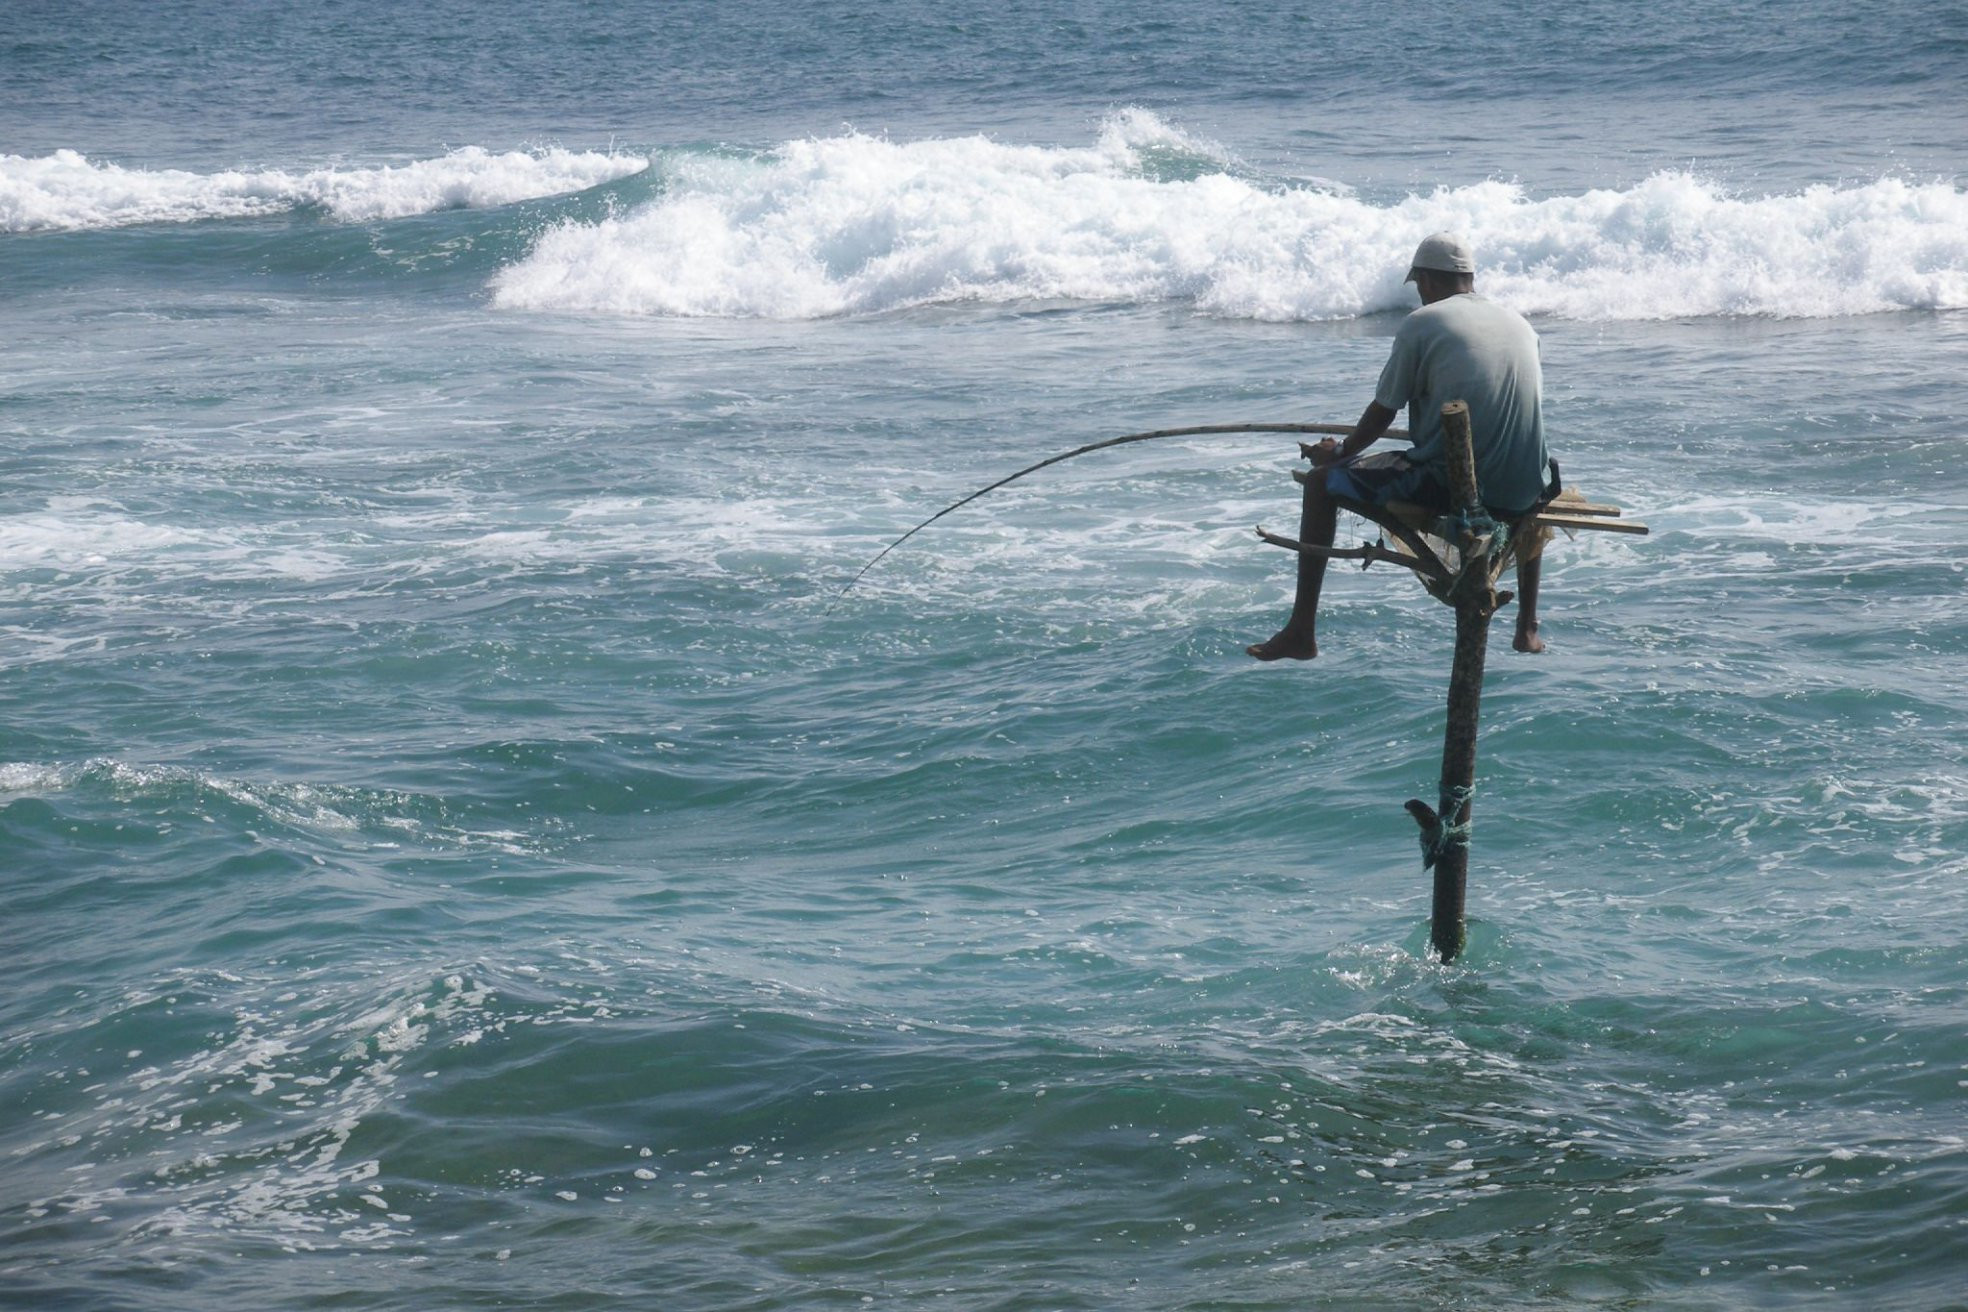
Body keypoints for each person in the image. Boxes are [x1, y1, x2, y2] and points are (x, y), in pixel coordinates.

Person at [1247, 232, 1553, 661]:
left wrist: (1342, 452)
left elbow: (1383, 412)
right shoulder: (1520, 323)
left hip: (1459, 487)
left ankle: (1301, 630)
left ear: (1425, 280)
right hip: (1527, 487)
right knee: (1532, 477)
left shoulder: (1422, 324)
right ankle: (1528, 626)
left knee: (1320, 484)